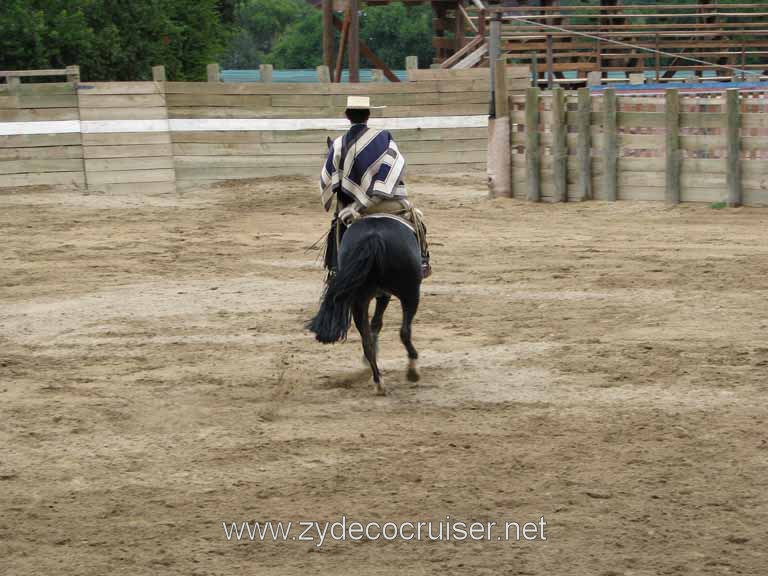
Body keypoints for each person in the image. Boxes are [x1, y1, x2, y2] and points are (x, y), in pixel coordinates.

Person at [319, 96, 431, 279]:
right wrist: (379, 190)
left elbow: (328, 178)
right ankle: (423, 261)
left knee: (336, 228)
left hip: (353, 209)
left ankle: (334, 270)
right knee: (417, 221)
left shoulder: (338, 144)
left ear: (347, 116)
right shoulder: (384, 137)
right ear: (368, 115)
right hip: (388, 204)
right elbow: (395, 168)